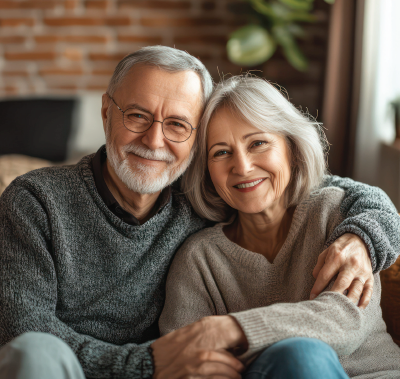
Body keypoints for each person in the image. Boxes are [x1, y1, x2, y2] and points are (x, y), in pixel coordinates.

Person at [0, 46, 399, 379]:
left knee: (300, 357)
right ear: (107, 112)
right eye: (137, 115)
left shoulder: (202, 200)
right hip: (84, 369)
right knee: (35, 352)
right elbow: (21, 329)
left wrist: (363, 234)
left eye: (177, 124)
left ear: (192, 142)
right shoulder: (36, 202)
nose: (154, 140)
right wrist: (149, 363)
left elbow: (332, 190)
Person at [158, 75, 400, 379]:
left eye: (258, 143)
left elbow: (344, 323)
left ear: (291, 148)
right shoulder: (199, 259)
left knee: (301, 355)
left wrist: (232, 330)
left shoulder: (339, 218)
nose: (242, 167)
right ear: (206, 171)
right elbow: (185, 358)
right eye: (221, 152)